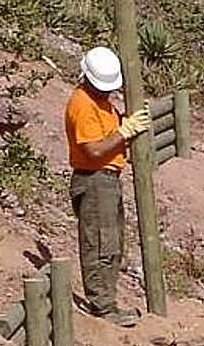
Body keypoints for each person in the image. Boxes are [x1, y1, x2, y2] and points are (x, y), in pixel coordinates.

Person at [65, 46, 152, 327]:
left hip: (107, 179)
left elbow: (106, 135)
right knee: (100, 244)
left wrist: (125, 123)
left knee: (111, 243)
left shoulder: (101, 103)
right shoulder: (83, 104)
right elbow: (93, 150)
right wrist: (124, 132)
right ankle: (102, 306)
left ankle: (107, 302)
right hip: (94, 178)